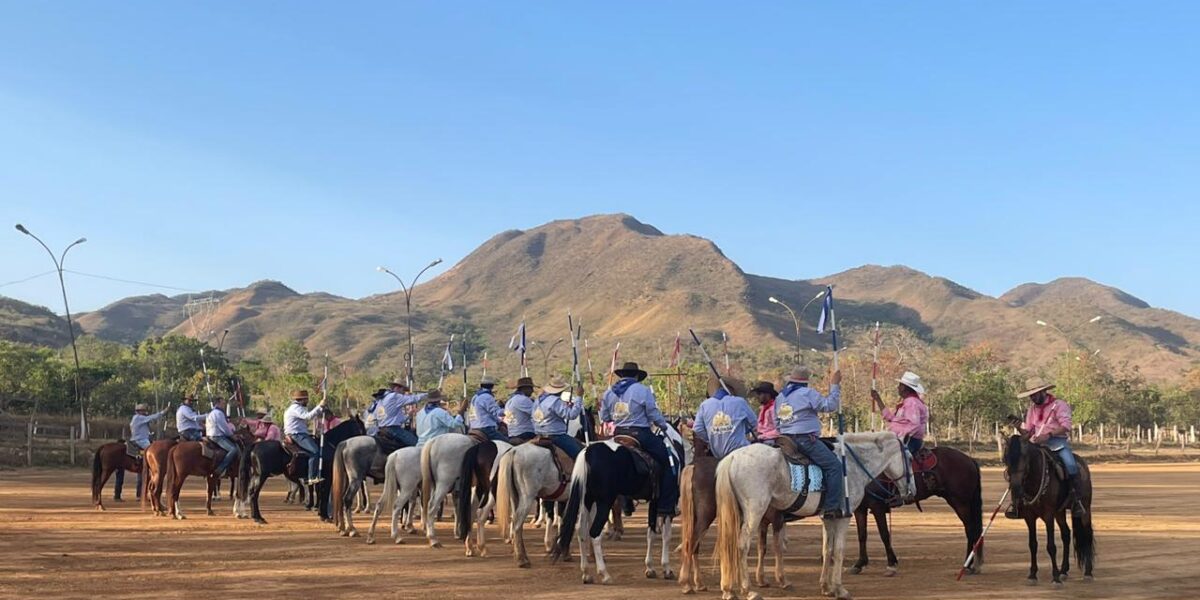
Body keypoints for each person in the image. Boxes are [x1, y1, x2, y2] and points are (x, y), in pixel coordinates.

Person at [600, 361, 678, 515]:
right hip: (639, 434)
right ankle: (665, 505)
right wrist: (662, 425)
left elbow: (604, 416)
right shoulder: (642, 390)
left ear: (622, 375)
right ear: (636, 376)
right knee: (670, 462)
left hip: (618, 434)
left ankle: (625, 501)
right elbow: (652, 413)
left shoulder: (609, 392)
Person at [1007, 377, 1087, 518]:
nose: (1032, 397)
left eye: (1035, 394)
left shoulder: (1059, 405)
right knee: (1018, 466)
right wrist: (1019, 427)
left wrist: (1048, 435)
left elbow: (1066, 426)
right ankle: (1018, 503)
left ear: (1044, 392)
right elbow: (1029, 432)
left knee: (1071, 465)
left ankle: (1076, 500)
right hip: (1036, 445)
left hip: (1057, 444)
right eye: (1031, 395)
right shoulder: (1031, 409)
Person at [775, 365, 846, 519]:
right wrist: (835, 385)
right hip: (805, 440)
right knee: (834, 466)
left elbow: (776, 421)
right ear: (806, 382)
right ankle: (831, 507)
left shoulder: (780, 397)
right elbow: (830, 406)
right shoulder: (807, 393)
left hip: (784, 440)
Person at [114, 403, 170, 501]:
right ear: (139, 411)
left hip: (142, 439)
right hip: (141, 440)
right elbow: (153, 417)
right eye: (144, 411)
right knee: (153, 453)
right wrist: (163, 412)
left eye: (145, 411)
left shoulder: (139, 419)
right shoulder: (139, 418)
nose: (145, 412)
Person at [693, 376, 756, 460]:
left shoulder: (705, 405)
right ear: (732, 391)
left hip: (717, 454)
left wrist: (711, 437)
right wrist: (743, 430)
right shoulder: (739, 402)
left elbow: (697, 429)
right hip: (740, 453)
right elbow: (754, 423)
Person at [870, 371, 929, 455]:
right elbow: (890, 418)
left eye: (900, 385)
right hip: (901, 438)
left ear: (905, 388)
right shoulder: (906, 403)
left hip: (909, 441)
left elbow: (914, 424)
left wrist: (900, 437)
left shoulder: (912, 403)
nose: (898, 388)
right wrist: (878, 399)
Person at [532, 376, 584, 459]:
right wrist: (579, 397)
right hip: (555, 435)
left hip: (539, 434)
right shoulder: (555, 401)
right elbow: (572, 415)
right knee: (581, 455)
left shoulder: (538, 400)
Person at [284, 390, 326, 484]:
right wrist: (319, 406)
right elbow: (307, 417)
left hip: (299, 433)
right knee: (315, 451)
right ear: (302, 400)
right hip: (297, 434)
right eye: (306, 399)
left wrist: (321, 409)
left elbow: (311, 415)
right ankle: (311, 477)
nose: (307, 401)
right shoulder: (296, 408)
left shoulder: (297, 408)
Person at [378, 380, 425, 448]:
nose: (403, 393)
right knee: (418, 444)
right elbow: (413, 398)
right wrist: (428, 395)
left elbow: (397, 420)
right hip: (393, 429)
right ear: (397, 388)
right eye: (403, 390)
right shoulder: (395, 396)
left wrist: (408, 415)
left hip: (382, 428)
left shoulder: (383, 397)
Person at [466, 376, 507, 442]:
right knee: (507, 443)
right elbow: (496, 412)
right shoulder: (487, 397)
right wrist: (507, 410)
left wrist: (499, 421)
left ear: (481, 385)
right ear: (492, 386)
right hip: (486, 428)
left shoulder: (475, 396)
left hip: (473, 427)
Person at [206, 397, 238, 478]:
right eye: (223, 403)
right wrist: (232, 435)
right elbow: (224, 427)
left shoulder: (212, 412)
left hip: (210, 434)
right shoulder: (218, 413)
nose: (224, 405)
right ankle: (220, 469)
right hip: (217, 436)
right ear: (218, 403)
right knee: (233, 449)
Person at [503, 377, 537, 443]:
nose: (532, 391)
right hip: (525, 432)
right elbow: (536, 415)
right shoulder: (524, 399)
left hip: (512, 433)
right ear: (525, 388)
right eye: (531, 388)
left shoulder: (510, 400)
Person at [749, 381, 781, 445]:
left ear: (767, 395)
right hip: (761, 437)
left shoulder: (774, 409)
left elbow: (779, 429)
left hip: (771, 439)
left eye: (760, 394)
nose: (758, 396)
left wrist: (762, 436)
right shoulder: (764, 408)